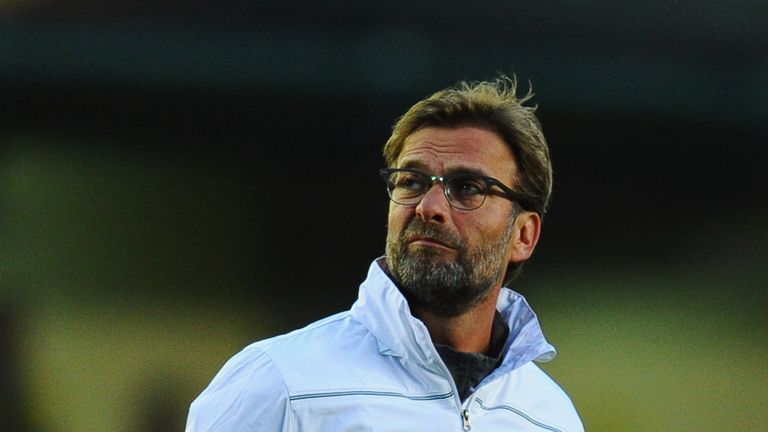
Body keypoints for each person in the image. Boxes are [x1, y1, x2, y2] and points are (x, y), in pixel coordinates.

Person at [186, 76, 584, 431]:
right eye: (411, 181)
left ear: (524, 235)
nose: (430, 206)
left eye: (467, 188)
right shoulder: (281, 383)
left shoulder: (550, 417)